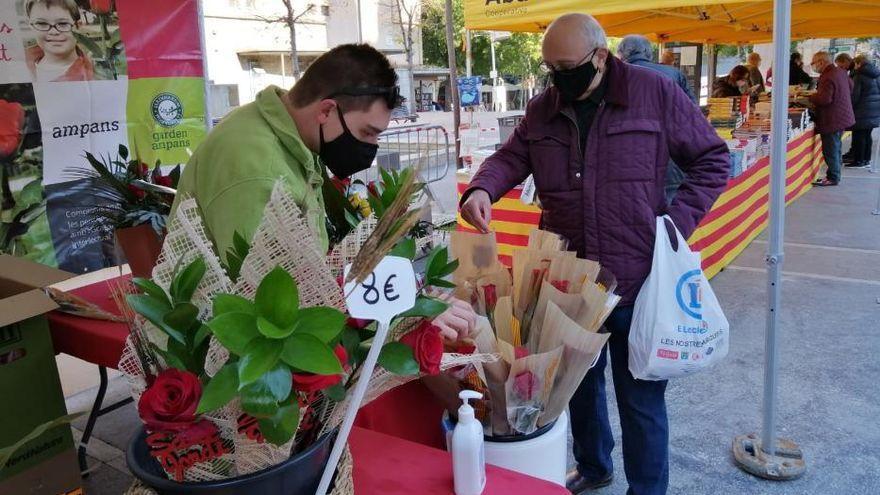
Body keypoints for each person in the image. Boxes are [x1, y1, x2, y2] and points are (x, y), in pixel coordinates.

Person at [460, 13, 729, 495]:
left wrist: (674, 227)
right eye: (549, 68)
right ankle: (593, 466)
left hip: (637, 277)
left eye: (566, 66)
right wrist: (482, 188)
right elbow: (510, 158)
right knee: (576, 391)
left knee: (641, 402)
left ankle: (646, 490)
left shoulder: (654, 94)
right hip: (569, 283)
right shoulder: (544, 108)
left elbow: (712, 159)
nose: (557, 77)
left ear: (601, 57)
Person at [172, 44, 476, 338]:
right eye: (366, 133)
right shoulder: (256, 169)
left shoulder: (293, 138)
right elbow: (279, 298)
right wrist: (408, 313)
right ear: (327, 110)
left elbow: (317, 259)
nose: (371, 147)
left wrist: (410, 292)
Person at [617, 34, 695, 205]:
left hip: (627, 165)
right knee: (671, 219)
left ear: (621, 54)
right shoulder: (674, 74)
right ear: (648, 53)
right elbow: (693, 116)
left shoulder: (611, 78)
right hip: (670, 161)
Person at [809, 51, 856, 186]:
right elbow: (851, 86)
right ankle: (836, 174)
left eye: (813, 63)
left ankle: (833, 177)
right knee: (836, 146)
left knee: (830, 149)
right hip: (841, 115)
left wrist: (811, 97)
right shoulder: (840, 72)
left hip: (832, 117)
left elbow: (824, 99)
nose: (813, 66)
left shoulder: (827, 76)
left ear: (821, 62)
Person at [24, 0, 95, 82]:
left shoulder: (95, 73)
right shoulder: (19, 65)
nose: (53, 32)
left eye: (63, 23)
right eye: (42, 23)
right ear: (31, 26)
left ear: (78, 26)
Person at [849, 54, 880, 169]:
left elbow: (855, 95)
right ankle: (867, 159)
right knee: (867, 135)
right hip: (874, 110)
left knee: (859, 136)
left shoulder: (859, 75)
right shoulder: (876, 74)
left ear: (858, 63)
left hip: (861, 110)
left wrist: (850, 106)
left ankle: (859, 160)